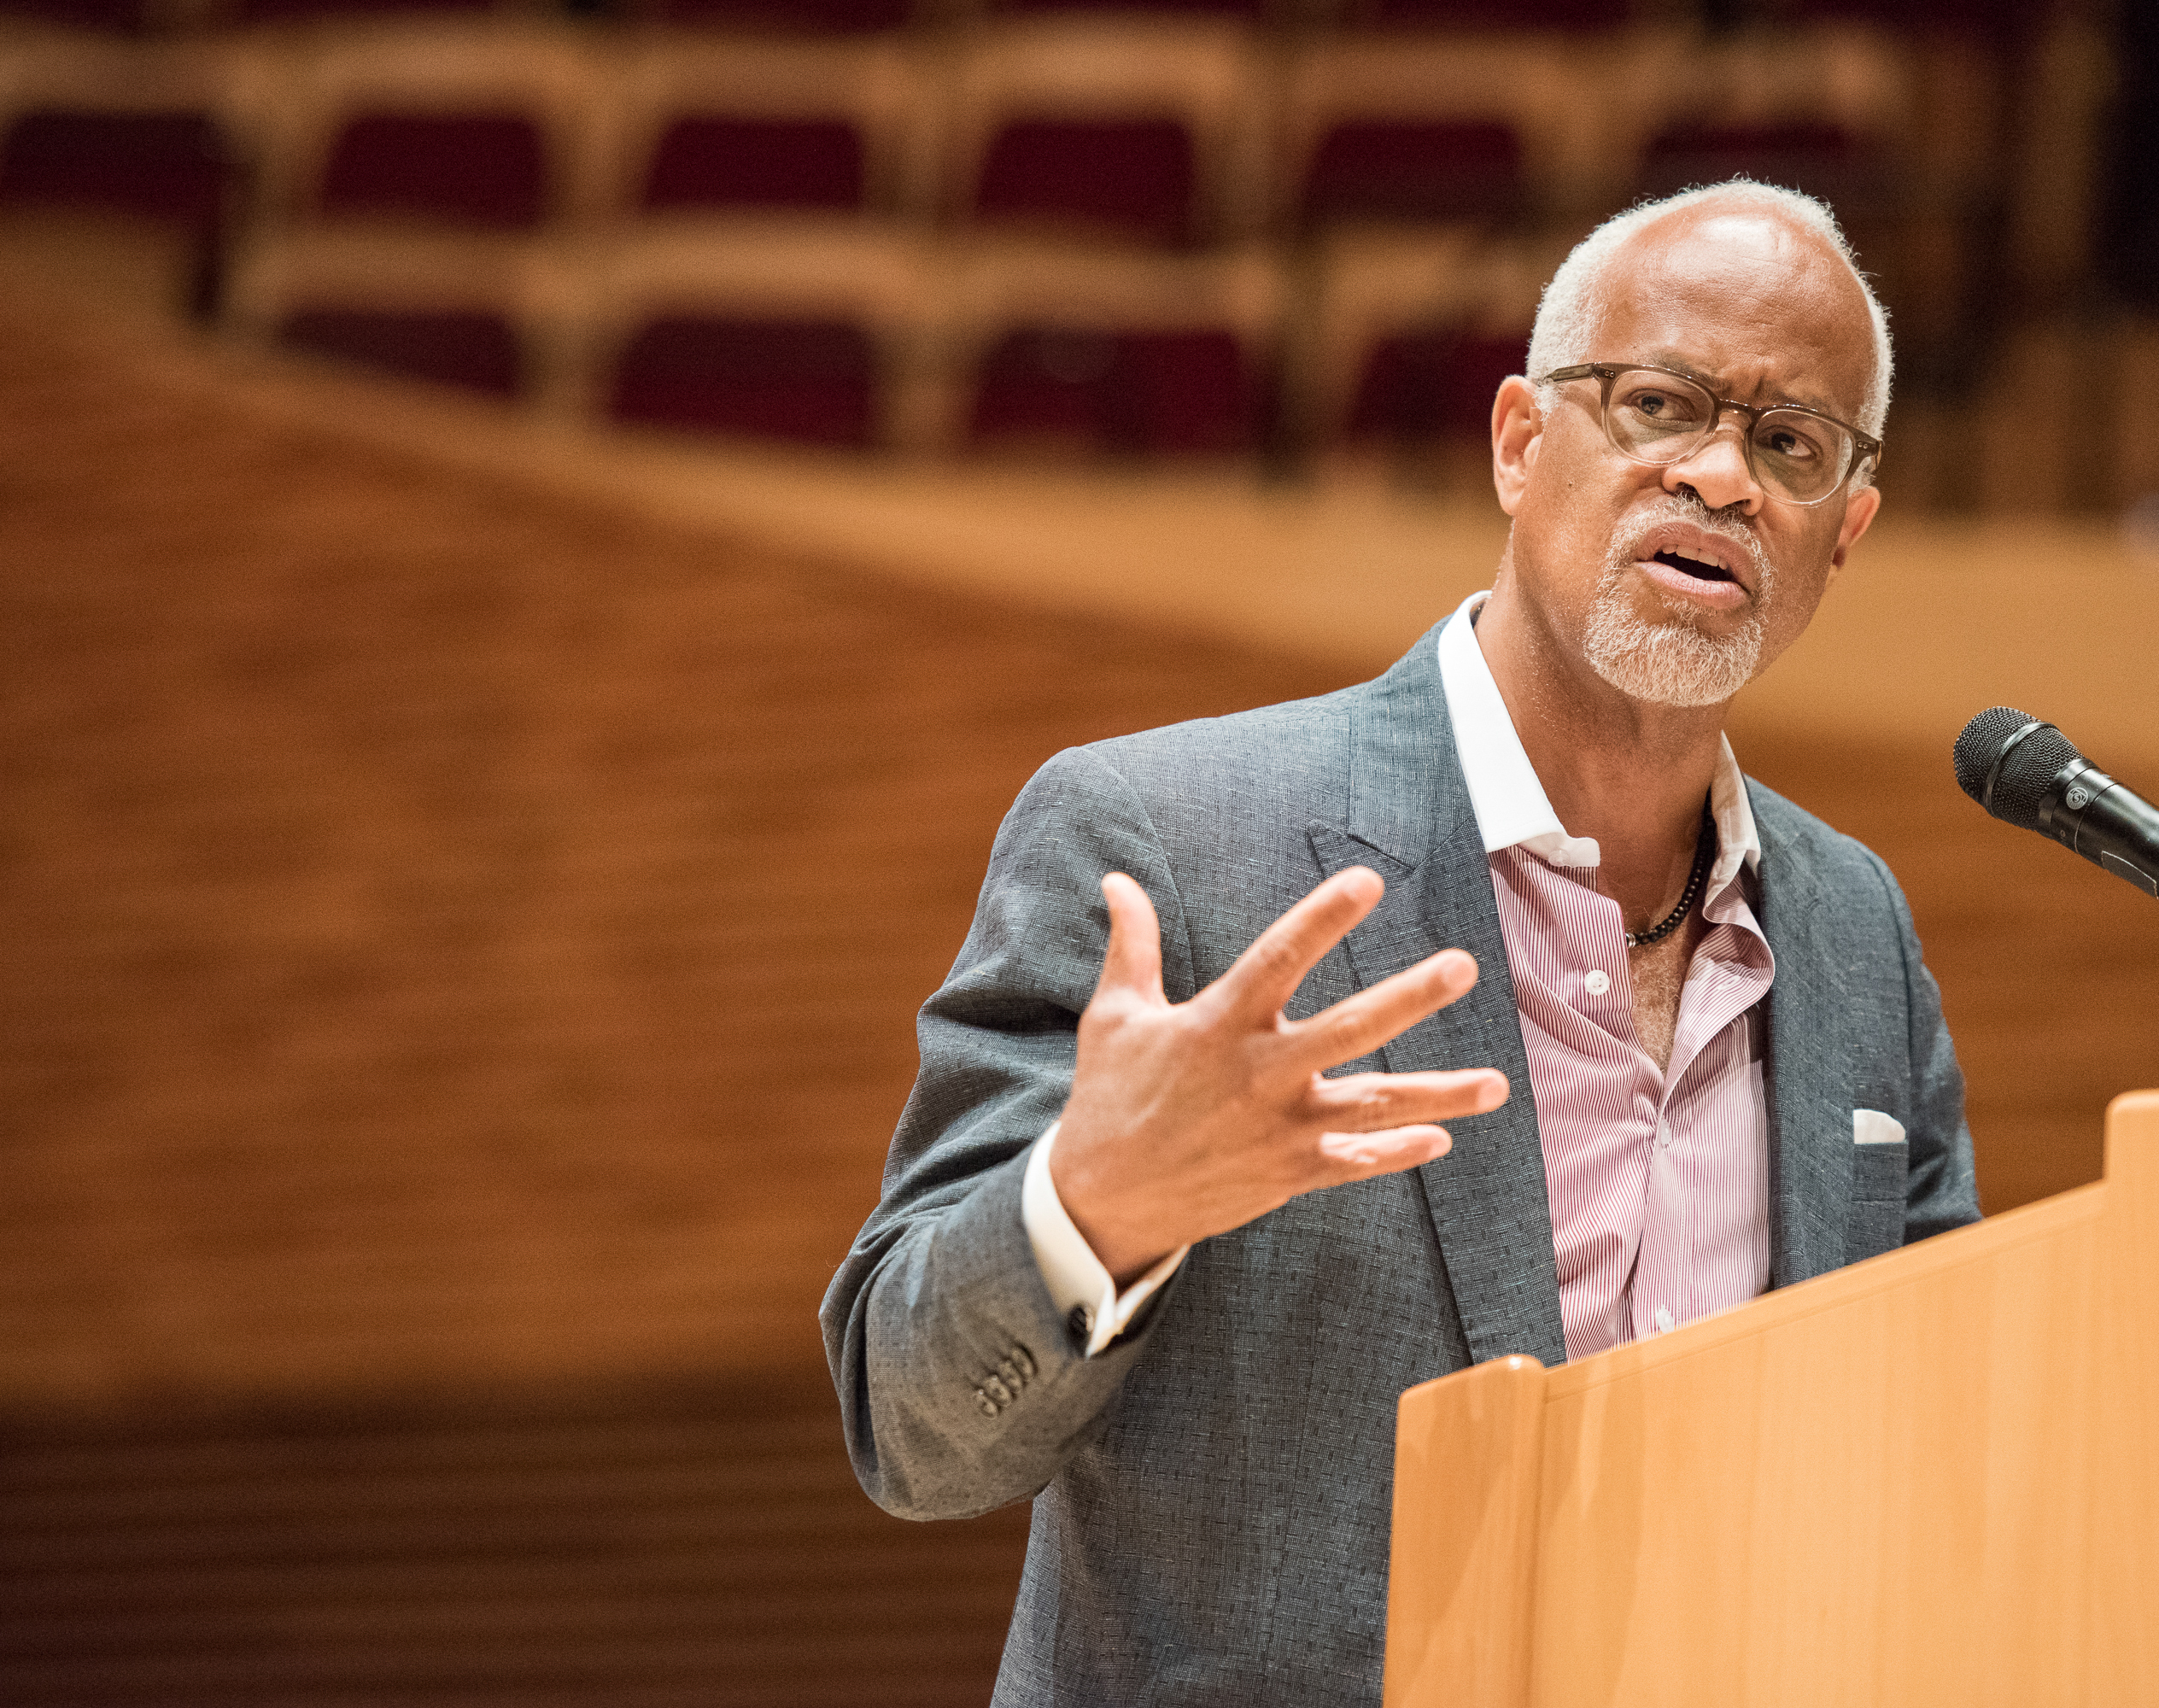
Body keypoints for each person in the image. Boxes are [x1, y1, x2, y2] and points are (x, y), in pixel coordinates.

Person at [822, 178, 1979, 1704]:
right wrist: (1094, 1204)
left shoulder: (1851, 932)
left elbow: (1937, 1432)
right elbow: (913, 1431)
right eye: (1659, 405)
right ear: (1519, 444)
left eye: (1792, 444)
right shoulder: (1169, 840)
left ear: (1846, 533)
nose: (1721, 475)